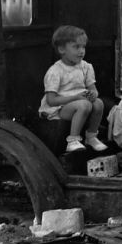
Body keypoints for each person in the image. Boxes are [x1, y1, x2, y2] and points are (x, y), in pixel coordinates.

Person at [38, 25, 107, 153]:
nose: (81, 51)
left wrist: (93, 94)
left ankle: (91, 136)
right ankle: (73, 140)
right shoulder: (55, 71)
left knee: (99, 103)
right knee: (84, 105)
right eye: (76, 47)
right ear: (61, 49)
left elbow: (94, 89)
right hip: (59, 109)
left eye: (83, 47)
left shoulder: (86, 67)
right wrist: (76, 97)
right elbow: (51, 101)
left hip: (80, 102)